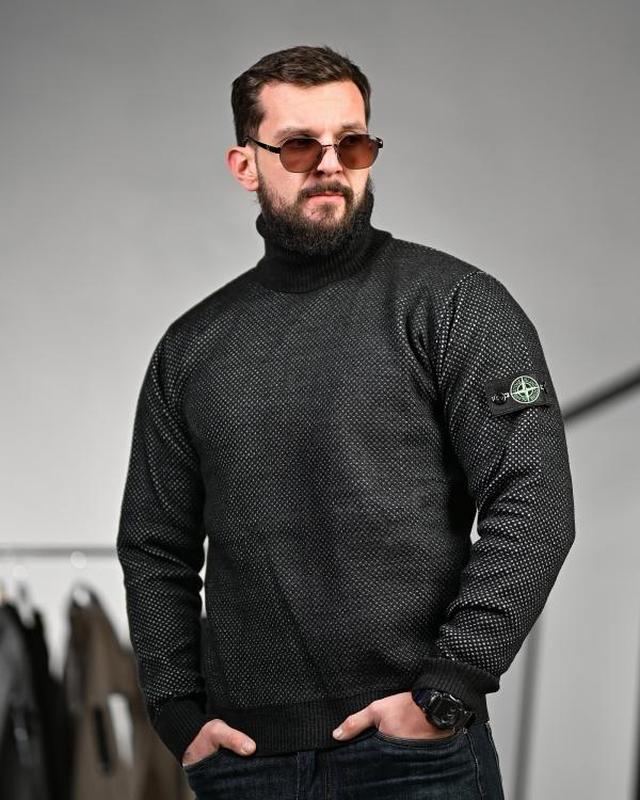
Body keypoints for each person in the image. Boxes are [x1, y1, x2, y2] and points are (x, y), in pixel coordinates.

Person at [116, 44, 575, 799]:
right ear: (245, 164)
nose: (331, 165)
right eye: (300, 145)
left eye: (352, 143)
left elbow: (535, 502)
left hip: (416, 755)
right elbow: (153, 544)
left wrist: (451, 685)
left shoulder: (456, 304)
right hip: (246, 765)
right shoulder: (192, 346)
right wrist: (176, 713)